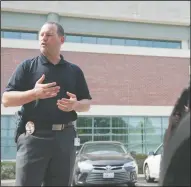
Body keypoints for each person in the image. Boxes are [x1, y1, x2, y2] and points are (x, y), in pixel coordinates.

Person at [2, 21, 92, 186]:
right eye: (41, 35)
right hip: (34, 138)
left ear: (61, 40)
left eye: (49, 35)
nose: (43, 38)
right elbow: (6, 99)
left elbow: (87, 103)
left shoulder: (74, 71)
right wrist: (34, 93)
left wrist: (75, 105)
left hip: (65, 140)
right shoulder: (27, 67)